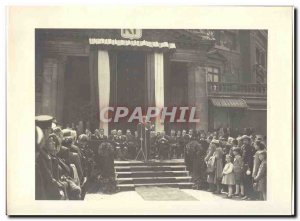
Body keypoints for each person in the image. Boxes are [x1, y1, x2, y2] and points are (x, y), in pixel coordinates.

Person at [241, 135, 255, 200]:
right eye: (243, 140)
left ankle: (251, 195)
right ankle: (246, 194)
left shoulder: (250, 147)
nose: (244, 141)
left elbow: (250, 158)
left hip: (248, 166)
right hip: (244, 165)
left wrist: (249, 167)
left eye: (246, 140)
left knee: (249, 181)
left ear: (248, 140)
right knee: (244, 180)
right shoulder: (243, 147)